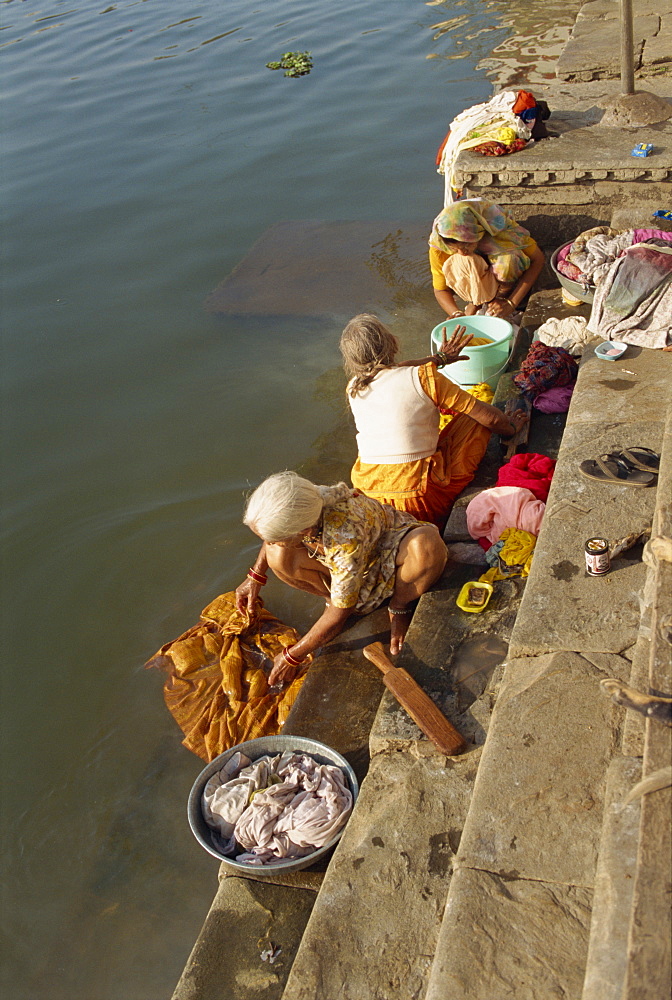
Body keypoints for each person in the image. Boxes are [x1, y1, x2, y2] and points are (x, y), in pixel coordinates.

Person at [235, 471, 448, 682]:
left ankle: (399, 605)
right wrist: (255, 576)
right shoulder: (305, 497)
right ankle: (334, 599)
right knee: (277, 555)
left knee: (426, 546)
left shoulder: (345, 538)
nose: (269, 542)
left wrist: (292, 656)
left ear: (305, 530)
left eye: (276, 538)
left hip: (387, 553)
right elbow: (273, 535)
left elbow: (340, 612)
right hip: (347, 564)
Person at [340, 314, 529, 531]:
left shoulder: (354, 387)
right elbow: (493, 418)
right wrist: (511, 428)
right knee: (476, 416)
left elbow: (397, 369)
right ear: (393, 341)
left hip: (369, 495)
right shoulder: (423, 377)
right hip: (418, 497)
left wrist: (440, 358)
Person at [428, 197, 545, 320]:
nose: (462, 252)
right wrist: (456, 314)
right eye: (455, 249)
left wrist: (511, 303)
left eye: (467, 245)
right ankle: (476, 301)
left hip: (504, 282)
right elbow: (440, 290)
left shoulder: (499, 230)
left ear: (478, 232)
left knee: (507, 260)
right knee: (467, 261)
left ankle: (499, 298)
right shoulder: (440, 245)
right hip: (477, 284)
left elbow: (538, 260)